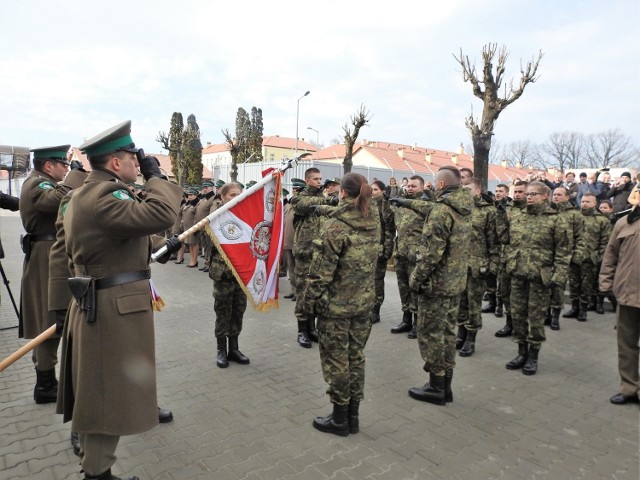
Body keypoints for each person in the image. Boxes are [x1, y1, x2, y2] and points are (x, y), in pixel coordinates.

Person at [56, 120, 183, 480]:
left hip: (102, 301)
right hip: (112, 309)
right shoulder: (105, 195)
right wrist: (156, 176)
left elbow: (116, 241)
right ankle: (97, 473)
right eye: (132, 157)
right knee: (105, 397)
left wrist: (159, 247)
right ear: (115, 163)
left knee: (103, 392)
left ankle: (97, 469)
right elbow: (161, 213)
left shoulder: (84, 194)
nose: (137, 162)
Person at [300, 173, 380, 436]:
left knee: (337, 362)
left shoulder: (337, 227)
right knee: (356, 359)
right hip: (363, 303)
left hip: (336, 308)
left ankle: (338, 419)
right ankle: (353, 417)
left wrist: (306, 305)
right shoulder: (372, 218)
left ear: (343, 193)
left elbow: (320, 274)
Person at [18, 145, 87, 404]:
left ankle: (46, 382)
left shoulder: (39, 181)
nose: (67, 170)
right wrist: (75, 177)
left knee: (51, 319)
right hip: (46, 258)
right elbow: (56, 200)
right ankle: (45, 384)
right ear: (49, 166)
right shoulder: (39, 184)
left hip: (47, 254)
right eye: (64, 165)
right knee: (49, 320)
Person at [406, 167, 472, 405]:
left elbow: (431, 253)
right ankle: (445, 387)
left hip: (436, 285)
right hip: (455, 282)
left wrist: (416, 279)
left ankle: (436, 386)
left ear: (442, 185)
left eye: (435, 182)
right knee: (446, 333)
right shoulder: (464, 208)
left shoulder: (442, 211)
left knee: (431, 334)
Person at [499, 181, 571, 376]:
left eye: (534, 194)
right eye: (527, 194)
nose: (529, 197)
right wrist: (499, 216)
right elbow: (504, 239)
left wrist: (558, 277)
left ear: (544, 197)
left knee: (536, 318)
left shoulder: (555, 220)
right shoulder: (517, 216)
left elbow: (563, 252)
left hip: (540, 277)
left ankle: (533, 356)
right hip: (517, 274)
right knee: (518, 315)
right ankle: (521, 352)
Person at [290, 167, 336, 348]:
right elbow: (306, 205)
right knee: (303, 293)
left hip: (320, 254)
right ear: (307, 180)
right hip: (304, 254)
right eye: (315, 179)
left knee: (316, 293)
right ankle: (302, 330)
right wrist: (330, 200)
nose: (319, 181)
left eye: (320, 178)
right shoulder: (298, 197)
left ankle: (311, 328)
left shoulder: (325, 199)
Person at [599, 204, 640, 405]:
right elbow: (610, 255)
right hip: (627, 295)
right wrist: (605, 281)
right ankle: (629, 388)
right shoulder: (625, 223)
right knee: (626, 346)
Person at [207, 182, 251, 369]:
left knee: (238, 311)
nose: (236, 197)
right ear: (222, 196)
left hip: (241, 273)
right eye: (232, 195)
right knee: (223, 312)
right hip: (223, 273)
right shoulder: (216, 216)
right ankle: (221, 350)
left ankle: (234, 348)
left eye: (239, 194)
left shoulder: (245, 214)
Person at [456, 179, 499, 357]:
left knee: (473, 303)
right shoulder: (458, 210)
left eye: (468, 189)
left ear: (478, 191)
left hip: (477, 266)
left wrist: (493, 264)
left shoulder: (488, 211)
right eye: (462, 189)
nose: (464, 192)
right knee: (459, 303)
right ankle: (461, 333)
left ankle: (470, 338)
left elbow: (494, 241)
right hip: (458, 265)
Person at [389, 175, 427, 338]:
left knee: (415, 290)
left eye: (414, 186)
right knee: (403, 288)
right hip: (401, 253)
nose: (410, 188)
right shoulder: (401, 205)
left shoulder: (425, 206)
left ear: (422, 188)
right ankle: (406, 320)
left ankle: (418, 323)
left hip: (416, 256)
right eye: (409, 186)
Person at [494, 180, 528, 337]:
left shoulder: (534, 212)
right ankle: (509, 324)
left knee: (520, 299)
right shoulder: (509, 210)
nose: (518, 195)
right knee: (505, 293)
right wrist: (500, 215)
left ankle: (521, 328)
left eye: (521, 192)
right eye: (516, 192)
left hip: (525, 263)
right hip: (508, 259)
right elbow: (503, 236)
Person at [550, 186, 583, 329]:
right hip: (544, 256)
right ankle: (545, 314)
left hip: (563, 258)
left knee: (558, 287)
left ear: (567, 197)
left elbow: (581, 238)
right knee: (544, 287)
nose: (555, 197)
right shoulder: (547, 212)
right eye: (554, 194)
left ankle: (555, 316)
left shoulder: (575, 215)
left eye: (559, 194)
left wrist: (577, 256)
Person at [370, 180, 396, 324]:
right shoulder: (368, 204)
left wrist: (386, 249)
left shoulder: (386, 206)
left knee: (377, 280)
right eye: (371, 189)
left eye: (375, 189)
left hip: (380, 249)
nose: (372, 192)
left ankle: (376, 309)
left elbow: (390, 230)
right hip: (367, 249)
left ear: (382, 191)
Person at [282, 179, 305, 301]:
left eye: (297, 189)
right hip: (288, 241)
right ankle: (293, 290)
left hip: (298, 242)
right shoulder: (288, 204)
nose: (295, 191)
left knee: (299, 269)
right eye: (294, 189)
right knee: (291, 268)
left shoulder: (301, 205)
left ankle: (299, 292)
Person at [196, 181, 215, 272]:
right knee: (205, 246)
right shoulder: (203, 199)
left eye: (206, 187)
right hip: (201, 228)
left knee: (209, 247)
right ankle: (206, 262)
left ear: (211, 188)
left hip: (208, 228)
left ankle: (209, 264)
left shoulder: (213, 198)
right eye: (203, 187)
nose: (204, 189)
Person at [182, 188, 200, 267]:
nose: (189, 196)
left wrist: (195, 228)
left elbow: (197, 217)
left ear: (195, 195)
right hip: (187, 227)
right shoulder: (188, 204)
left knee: (194, 244)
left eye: (191, 195)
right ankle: (192, 259)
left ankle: (194, 261)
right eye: (188, 195)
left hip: (193, 227)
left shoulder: (197, 204)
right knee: (190, 244)